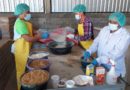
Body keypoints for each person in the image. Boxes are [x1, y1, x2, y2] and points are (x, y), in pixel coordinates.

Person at [83, 12, 130, 77]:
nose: (111, 24)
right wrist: (89, 51)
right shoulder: (105, 29)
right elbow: (96, 42)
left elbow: (115, 55)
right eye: (110, 21)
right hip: (102, 66)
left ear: (120, 23)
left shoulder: (125, 36)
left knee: (112, 85)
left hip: (115, 71)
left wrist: (99, 60)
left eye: (114, 22)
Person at [11, 3, 41, 90]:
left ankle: (27, 84)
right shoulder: (20, 23)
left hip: (25, 48)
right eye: (28, 12)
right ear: (22, 12)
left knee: (26, 69)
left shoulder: (24, 21)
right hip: (21, 50)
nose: (29, 13)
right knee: (22, 70)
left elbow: (30, 30)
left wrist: (36, 32)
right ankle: (21, 87)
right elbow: (28, 39)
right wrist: (38, 37)